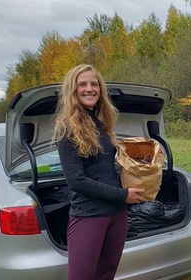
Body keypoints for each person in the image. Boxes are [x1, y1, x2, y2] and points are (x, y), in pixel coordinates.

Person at [52, 64, 148, 280]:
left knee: (106, 275)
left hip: (117, 214)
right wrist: (124, 195)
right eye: (82, 84)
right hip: (89, 215)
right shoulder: (67, 127)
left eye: (94, 84)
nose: (89, 89)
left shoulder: (99, 124)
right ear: (72, 90)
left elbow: (105, 169)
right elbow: (76, 181)